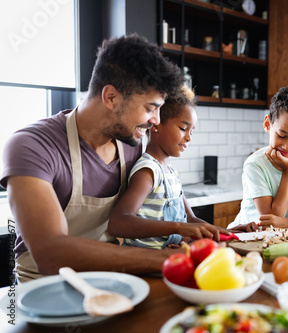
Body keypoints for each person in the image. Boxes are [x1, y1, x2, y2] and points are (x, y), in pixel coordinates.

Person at [0, 34, 203, 283]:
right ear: (110, 97)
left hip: (109, 279)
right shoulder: (31, 145)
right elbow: (50, 253)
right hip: (43, 287)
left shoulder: (133, 145)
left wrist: (177, 240)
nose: (156, 121)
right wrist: (169, 260)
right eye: (150, 108)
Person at [108, 86, 229, 249]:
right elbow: (119, 222)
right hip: (144, 261)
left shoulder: (171, 173)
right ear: (156, 125)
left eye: (191, 131)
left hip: (169, 260)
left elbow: (191, 220)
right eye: (183, 128)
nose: (188, 138)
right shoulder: (148, 171)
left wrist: (230, 233)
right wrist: (178, 228)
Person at [227, 86, 288, 229]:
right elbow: (272, 221)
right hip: (248, 238)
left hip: (284, 237)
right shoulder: (255, 164)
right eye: (281, 135)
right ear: (268, 125)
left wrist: (285, 223)